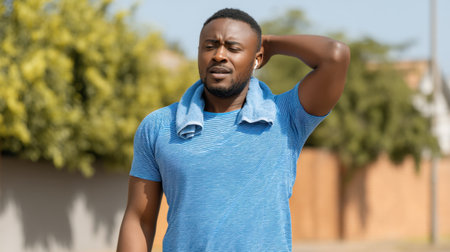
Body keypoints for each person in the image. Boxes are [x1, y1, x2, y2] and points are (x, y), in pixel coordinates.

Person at [117, 8, 350, 252]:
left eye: (233, 48)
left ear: (257, 58)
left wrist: (268, 42)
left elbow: (335, 56)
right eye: (209, 46)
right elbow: (139, 220)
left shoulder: (285, 116)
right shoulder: (160, 126)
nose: (219, 55)